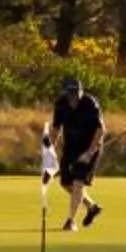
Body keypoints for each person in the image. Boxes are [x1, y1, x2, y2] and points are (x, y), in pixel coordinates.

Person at [48, 74, 105, 229]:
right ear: (66, 93)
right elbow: (56, 128)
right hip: (71, 148)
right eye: (71, 93)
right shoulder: (60, 104)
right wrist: (50, 151)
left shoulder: (90, 104)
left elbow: (100, 130)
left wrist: (89, 153)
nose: (74, 97)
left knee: (78, 182)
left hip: (89, 148)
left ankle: (70, 221)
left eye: (76, 93)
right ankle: (91, 207)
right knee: (66, 183)